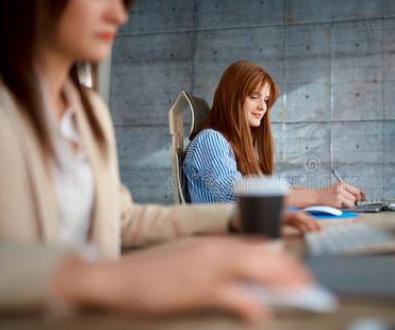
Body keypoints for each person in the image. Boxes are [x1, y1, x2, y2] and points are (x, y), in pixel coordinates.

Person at [0, 0, 316, 321]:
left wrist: (237, 219)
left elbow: (124, 220)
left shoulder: (88, 113)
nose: (119, 15)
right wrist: (111, 278)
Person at [183, 61, 366, 208]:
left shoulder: (234, 147)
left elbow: (271, 186)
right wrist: (318, 197)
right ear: (231, 98)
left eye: (266, 99)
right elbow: (236, 194)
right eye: (254, 97)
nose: (263, 107)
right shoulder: (210, 140)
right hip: (225, 247)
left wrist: (328, 194)